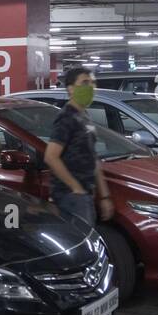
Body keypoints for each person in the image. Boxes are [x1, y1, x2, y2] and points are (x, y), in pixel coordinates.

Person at [44, 67, 113, 228]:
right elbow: (51, 156)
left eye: (92, 83)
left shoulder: (84, 116)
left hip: (86, 194)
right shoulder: (66, 117)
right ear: (71, 88)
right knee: (82, 245)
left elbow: (92, 157)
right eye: (84, 83)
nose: (90, 87)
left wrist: (104, 195)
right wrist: (75, 187)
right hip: (71, 197)